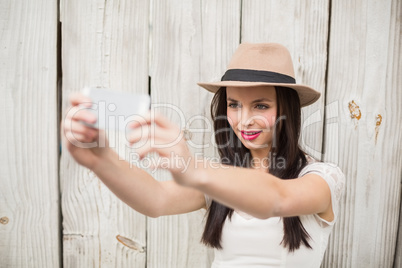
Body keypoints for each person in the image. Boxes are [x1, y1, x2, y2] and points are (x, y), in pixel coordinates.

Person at [63, 43, 345, 267]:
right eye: (234, 105)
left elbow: (277, 198)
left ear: (287, 110)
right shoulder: (219, 181)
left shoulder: (322, 178)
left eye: (260, 106)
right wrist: (100, 158)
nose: (243, 120)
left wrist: (193, 169)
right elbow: (156, 198)